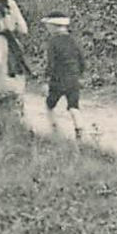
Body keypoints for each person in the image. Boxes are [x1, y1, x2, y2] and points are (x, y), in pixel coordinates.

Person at [40, 9, 85, 138]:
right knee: (73, 106)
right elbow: (81, 59)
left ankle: (54, 129)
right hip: (73, 78)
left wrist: (46, 80)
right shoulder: (73, 40)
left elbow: (51, 63)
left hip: (58, 79)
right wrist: (80, 74)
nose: (47, 29)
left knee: (50, 104)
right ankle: (79, 129)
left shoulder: (53, 42)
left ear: (53, 26)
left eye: (48, 26)